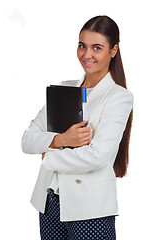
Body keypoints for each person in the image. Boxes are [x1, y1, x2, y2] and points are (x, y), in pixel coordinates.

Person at [22, 15, 133, 240]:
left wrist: (48, 157)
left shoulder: (118, 97)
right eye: (82, 45)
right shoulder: (64, 89)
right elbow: (27, 139)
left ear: (113, 51)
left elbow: (98, 156)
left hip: (90, 208)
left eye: (97, 47)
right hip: (49, 201)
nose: (87, 54)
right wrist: (61, 140)